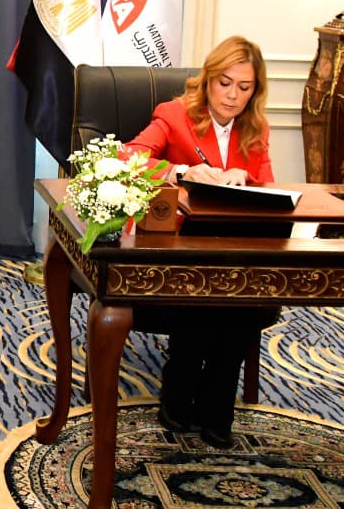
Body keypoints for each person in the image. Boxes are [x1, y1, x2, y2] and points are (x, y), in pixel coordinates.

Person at [122, 34, 276, 448]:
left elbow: (270, 189)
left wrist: (248, 178)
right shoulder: (175, 114)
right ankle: (183, 384)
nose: (232, 95)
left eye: (244, 87)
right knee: (205, 290)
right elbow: (128, 157)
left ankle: (217, 398)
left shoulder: (256, 127)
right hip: (180, 246)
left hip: (236, 248)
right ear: (208, 79)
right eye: (225, 83)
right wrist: (180, 171)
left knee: (244, 295)